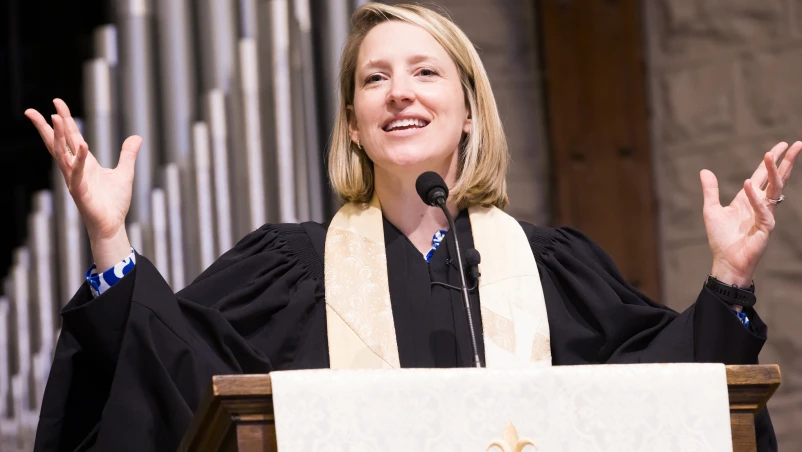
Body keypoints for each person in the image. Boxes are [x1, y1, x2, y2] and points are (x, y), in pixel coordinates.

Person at [24, 3, 796, 451]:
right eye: (375, 78)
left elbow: (662, 391)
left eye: (425, 72)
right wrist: (110, 239)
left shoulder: (550, 269)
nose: (400, 93)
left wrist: (728, 278)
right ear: (354, 125)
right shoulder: (288, 269)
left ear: (469, 112)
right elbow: (177, 370)